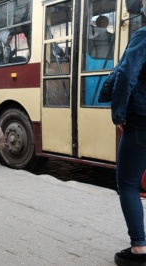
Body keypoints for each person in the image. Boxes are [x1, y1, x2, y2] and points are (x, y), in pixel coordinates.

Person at [110, 2, 146, 265]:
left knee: (129, 184)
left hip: (142, 122)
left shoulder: (143, 36)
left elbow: (126, 74)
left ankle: (139, 250)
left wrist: (119, 114)